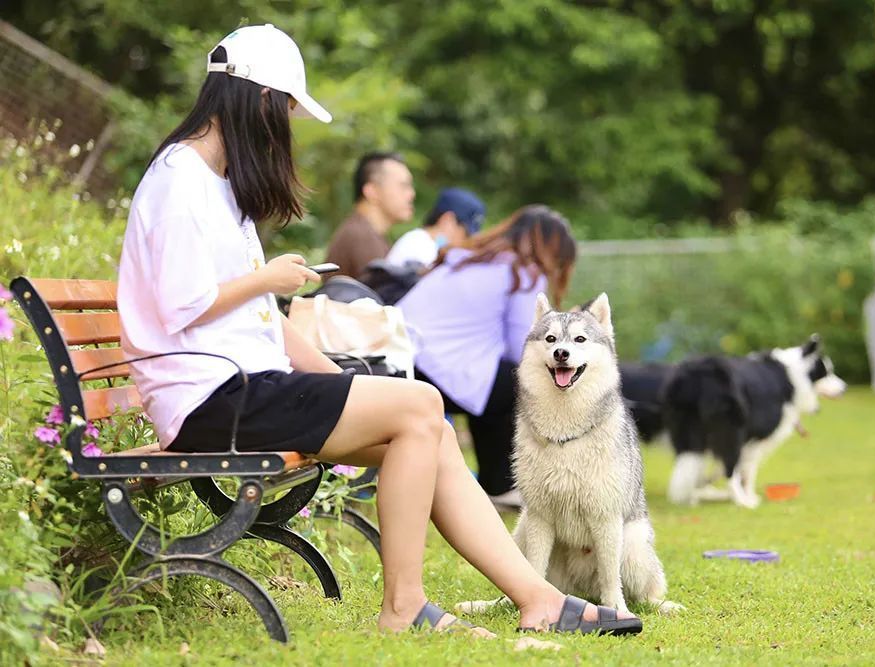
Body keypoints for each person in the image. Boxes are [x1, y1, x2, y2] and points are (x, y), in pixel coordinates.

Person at [116, 24, 639, 637]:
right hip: (211, 399)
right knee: (420, 405)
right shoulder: (181, 181)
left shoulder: (218, 189)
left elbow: (262, 324)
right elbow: (183, 307)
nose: (286, 125)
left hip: (242, 388)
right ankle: (404, 608)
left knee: (432, 431)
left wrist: (344, 386)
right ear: (260, 99)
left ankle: (539, 599)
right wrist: (269, 280)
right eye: (286, 108)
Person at [396, 205, 576, 509]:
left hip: (399, 360)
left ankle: (498, 482)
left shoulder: (467, 258)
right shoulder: (523, 272)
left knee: (497, 383)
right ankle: (506, 483)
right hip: (434, 370)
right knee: (530, 381)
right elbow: (524, 347)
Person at [324, 151, 414, 279]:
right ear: (372, 191)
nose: (411, 194)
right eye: (403, 186)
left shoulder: (367, 233)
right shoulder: (360, 237)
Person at [385, 188, 486, 268]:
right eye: (466, 233)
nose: (467, 241)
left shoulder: (425, 242)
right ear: (448, 220)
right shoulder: (421, 247)